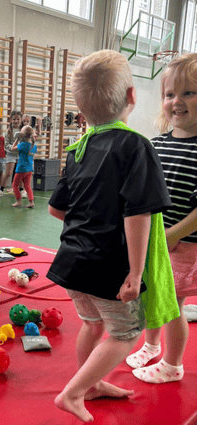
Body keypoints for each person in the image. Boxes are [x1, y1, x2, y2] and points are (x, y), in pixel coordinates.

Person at [47, 50, 177, 422]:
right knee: (125, 334)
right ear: (133, 97)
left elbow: (57, 209)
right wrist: (136, 273)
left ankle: (90, 384)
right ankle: (72, 393)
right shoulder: (135, 145)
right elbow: (139, 214)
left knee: (92, 323)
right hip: (107, 266)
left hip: (72, 262)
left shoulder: (78, 149)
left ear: (80, 108)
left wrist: (88, 221)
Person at [126, 53, 197, 384]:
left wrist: (175, 233)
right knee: (152, 296)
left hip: (183, 245)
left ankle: (172, 364)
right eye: (170, 94)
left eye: (188, 93)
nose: (176, 101)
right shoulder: (156, 145)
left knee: (173, 306)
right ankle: (151, 345)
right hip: (157, 242)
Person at [0, 110, 26, 196]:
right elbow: (6, 143)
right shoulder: (9, 131)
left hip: (21, 154)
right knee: (8, 173)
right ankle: (1, 189)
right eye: (14, 119)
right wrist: (12, 148)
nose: (16, 121)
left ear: (21, 120)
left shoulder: (23, 130)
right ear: (11, 119)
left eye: (18, 119)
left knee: (21, 172)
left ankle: (21, 189)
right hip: (11, 154)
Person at [10, 125, 37, 208]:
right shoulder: (33, 146)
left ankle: (18, 201)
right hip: (29, 169)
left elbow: (12, 148)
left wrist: (17, 139)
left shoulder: (22, 145)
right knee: (27, 186)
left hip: (21, 168)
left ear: (23, 135)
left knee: (14, 185)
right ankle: (31, 202)